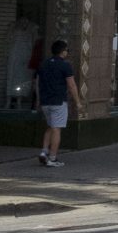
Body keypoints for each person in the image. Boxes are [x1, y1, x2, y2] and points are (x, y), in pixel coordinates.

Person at [36, 38, 78, 168]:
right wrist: (78, 102)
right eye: (67, 50)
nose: (67, 52)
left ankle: (44, 151)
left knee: (50, 126)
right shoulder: (65, 65)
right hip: (58, 102)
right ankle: (52, 158)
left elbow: (37, 83)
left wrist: (38, 99)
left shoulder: (44, 64)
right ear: (62, 51)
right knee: (56, 129)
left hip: (45, 102)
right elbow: (71, 85)